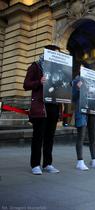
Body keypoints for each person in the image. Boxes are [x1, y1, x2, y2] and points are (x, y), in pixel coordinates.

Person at [23, 45, 61, 175]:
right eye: (55, 54)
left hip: (53, 107)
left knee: (49, 137)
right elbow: (26, 84)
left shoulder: (58, 70)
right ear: (48, 53)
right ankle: (35, 164)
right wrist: (39, 81)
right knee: (38, 137)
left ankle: (47, 163)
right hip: (41, 107)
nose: (58, 56)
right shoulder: (36, 66)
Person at [72, 64, 95, 170]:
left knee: (92, 136)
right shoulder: (77, 80)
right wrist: (77, 88)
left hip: (93, 111)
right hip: (82, 110)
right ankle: (80, 161)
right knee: (81, 135)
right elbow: (73, 97)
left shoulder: (94, 82)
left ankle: (94, 160)